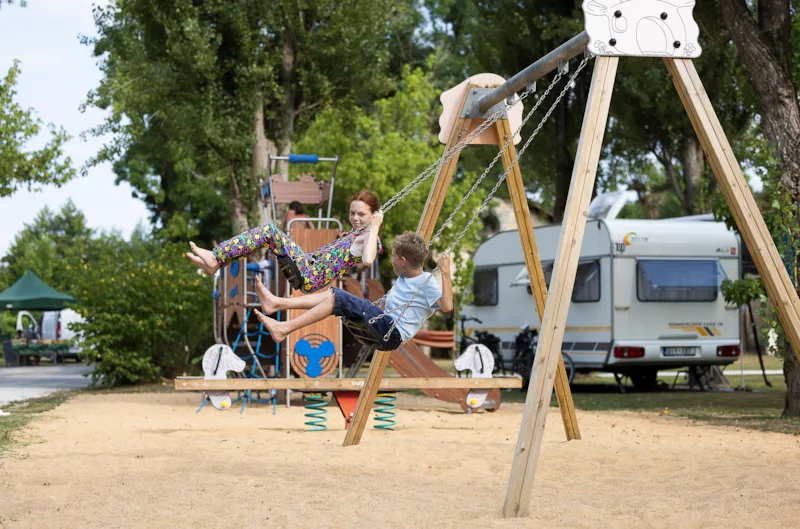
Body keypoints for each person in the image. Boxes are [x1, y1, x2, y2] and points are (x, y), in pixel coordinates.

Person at [253, 232, 453, 351]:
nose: (391, 261)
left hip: (389, 331)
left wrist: (445, 272)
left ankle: (284, 328)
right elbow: (420, 254)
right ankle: (278, 303)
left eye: (394, 257)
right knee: (334, 294)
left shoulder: (426, 283)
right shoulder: (404, 276)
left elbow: (447, 307)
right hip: (384, 325)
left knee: (338, 297)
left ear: (403, 261)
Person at [185, 191, 384, 294]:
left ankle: (215, 257)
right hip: (307, 264)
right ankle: (217, 262)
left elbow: (367, 260)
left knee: (269, 231)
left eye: (361, 214)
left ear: (373, 215)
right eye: (352, 213)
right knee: (267, 237)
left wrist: (375, 226)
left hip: (310, 274)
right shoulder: (354, 233)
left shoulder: (369, 238)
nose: (355, 218)